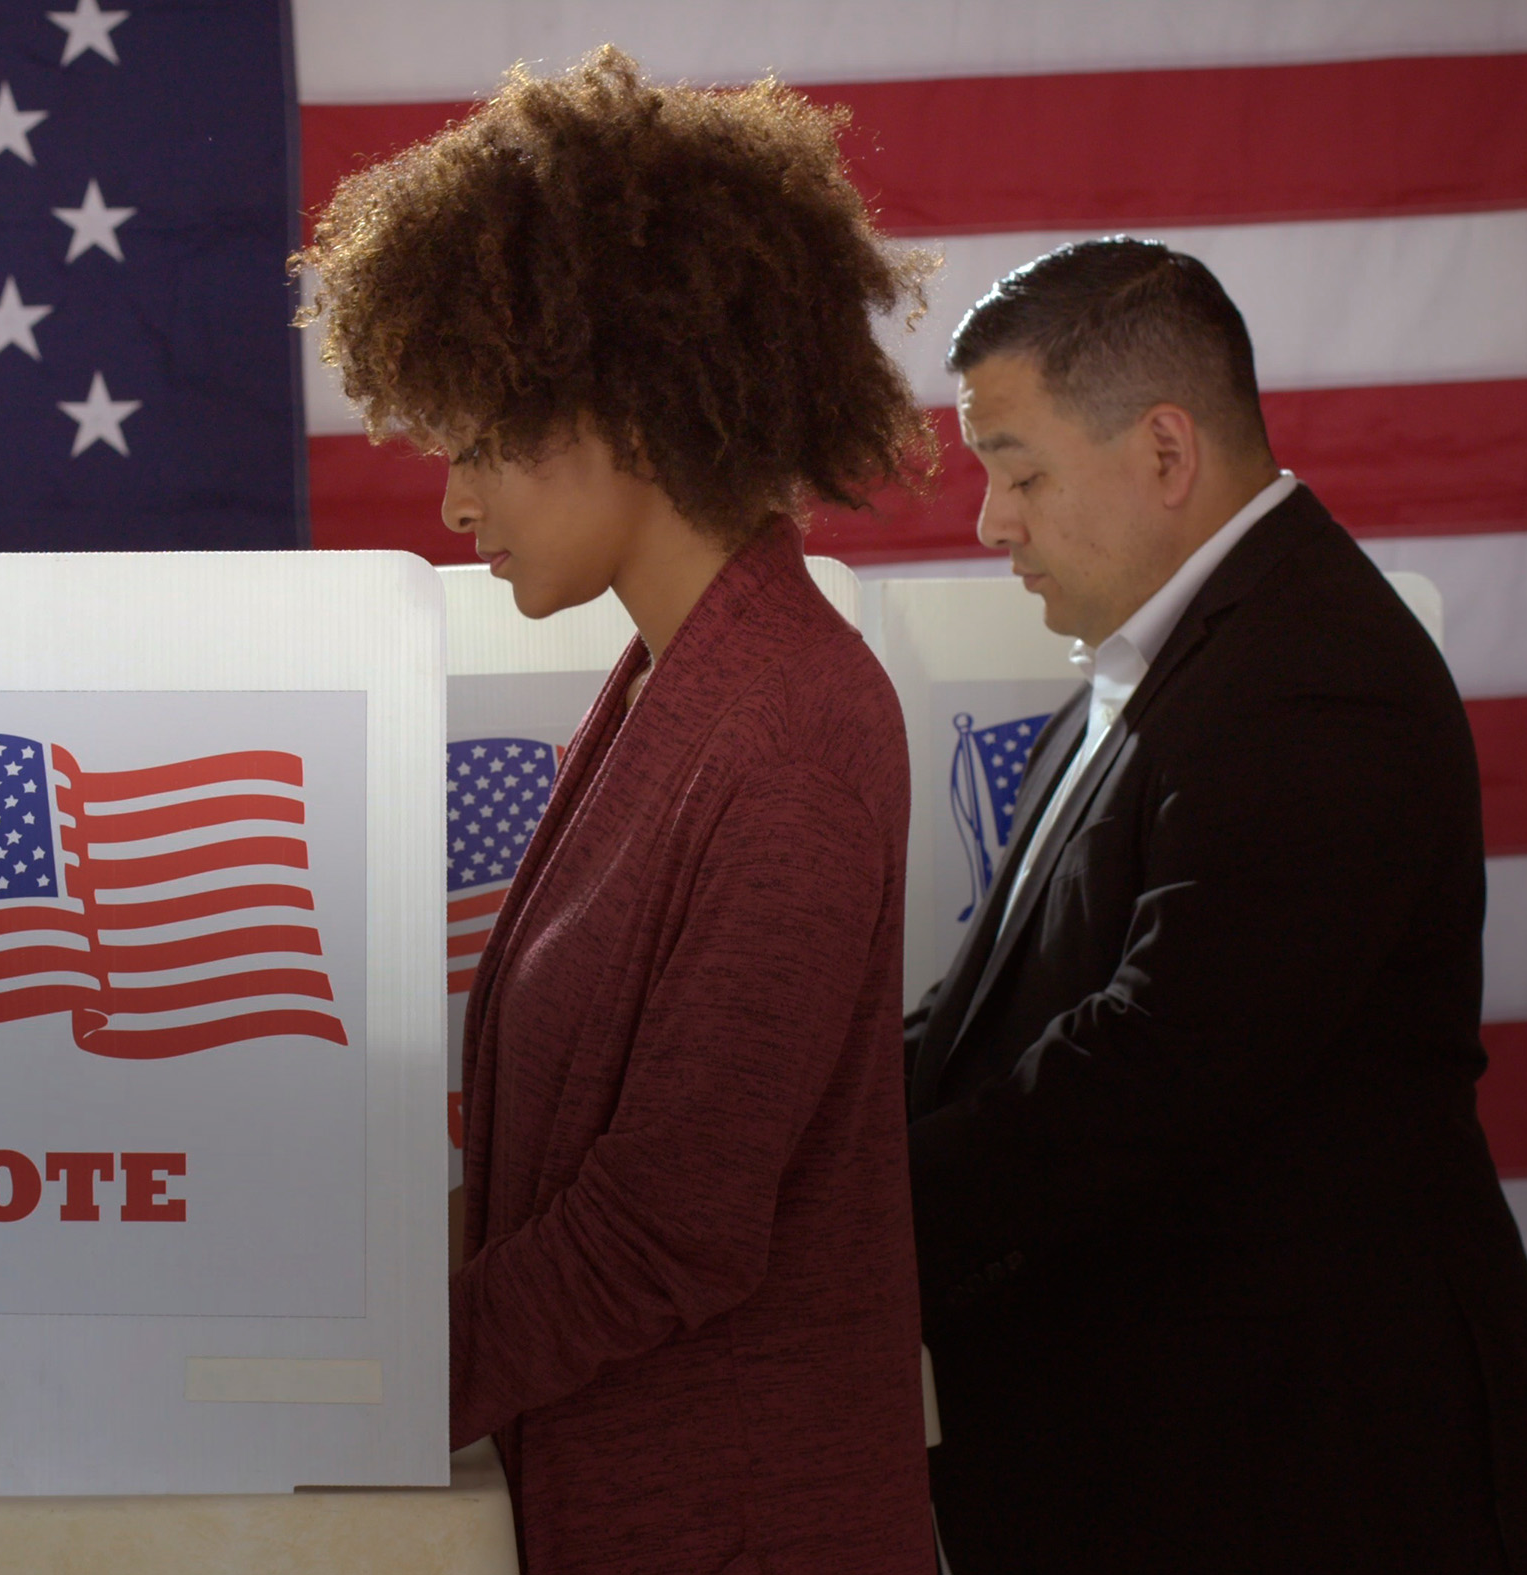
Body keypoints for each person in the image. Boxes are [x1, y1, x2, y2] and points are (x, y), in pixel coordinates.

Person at [298, 47, 937, 1574]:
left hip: (739, 1526)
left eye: (479, 443)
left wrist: (356, 1398)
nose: (453, 504)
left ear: (631, 414)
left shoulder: (789, 725)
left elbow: (667, 1228)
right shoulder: (679, 677)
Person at [907, 237, 1527, 1574]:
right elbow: (994, 1013)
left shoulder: (1316, 676)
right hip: (1190, 1468)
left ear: (1165, 451)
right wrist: (797, 1151)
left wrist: (836, 1228)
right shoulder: (1167, 659)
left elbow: (1153, 1066)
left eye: (1020, 472)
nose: (991, 525)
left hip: (1311, 1482)